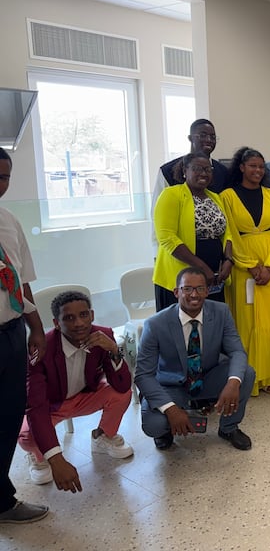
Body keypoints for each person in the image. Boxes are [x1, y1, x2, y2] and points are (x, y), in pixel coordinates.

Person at [19, 291, 133, 492]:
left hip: (84, 396)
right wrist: (56, 458)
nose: (79, 323)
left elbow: (122, 385)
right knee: (27, 435)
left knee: (122, 394)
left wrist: (114, 350)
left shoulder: (103, 335)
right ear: (56, 322)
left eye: (83, 315)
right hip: (50, 406)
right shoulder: (41, 349)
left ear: (92, 314)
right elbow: (35, 406)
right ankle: (39, 458)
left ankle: (103, 437)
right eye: (69, 318)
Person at [135, 267, 256, 451]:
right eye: (187, 289)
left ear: (207, 291)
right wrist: (170, 409)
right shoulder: (155, 324)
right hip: (172, 384)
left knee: (245, 373)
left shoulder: (221, 312)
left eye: (200, 289)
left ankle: (228, 428)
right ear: (176, 292)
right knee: (154, 424)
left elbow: (237, 351)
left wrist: (232, 383)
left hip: (207, 377)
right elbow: (143, 375)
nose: (194, 294)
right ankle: (165, 431)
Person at [0, 147, 49, 524]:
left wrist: (36, 327)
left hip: (12, 332)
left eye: (5, 177)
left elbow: (22, 279)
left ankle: (1, 498)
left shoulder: (9, 221)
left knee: (10, 414)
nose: (0, 184)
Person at [220, 147, 270, 395]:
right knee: (248, 320)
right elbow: (229, 234)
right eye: (252, 166)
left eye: (261, 167)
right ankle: (248, 376)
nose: (258, 170)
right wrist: (251, 265)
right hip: (244, 268)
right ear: (241, 167)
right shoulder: (227, 196)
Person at [153, 152, 233, 311]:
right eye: (198, 169)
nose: (204, 173)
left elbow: (227, 233)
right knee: (180, 330)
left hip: (213, 279)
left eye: (208, 169)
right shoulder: (171, 194)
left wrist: (228, 260)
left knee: (210, 326)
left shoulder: (215, 197)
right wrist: (201, 268)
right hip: (181, 278)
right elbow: (167, 238)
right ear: (185, 170)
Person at [152, 119, 228, 206]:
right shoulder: (168, 171)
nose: (208, 140)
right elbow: (157, 209)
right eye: (203, 135)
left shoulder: (223, 172)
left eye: (213, 137)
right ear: (190, 138)